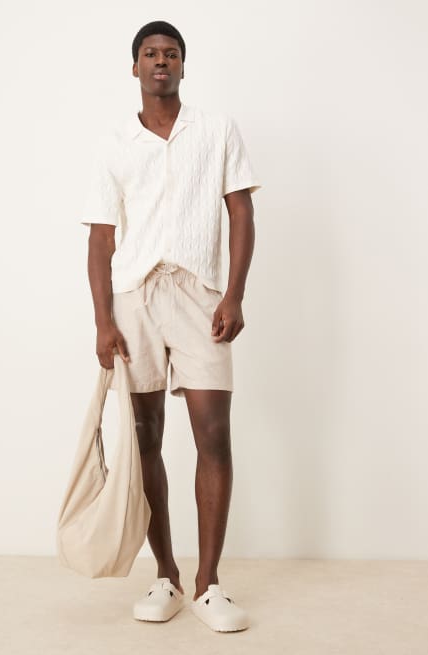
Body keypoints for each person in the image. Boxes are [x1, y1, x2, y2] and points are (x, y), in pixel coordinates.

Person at [80, 20, 262, 632]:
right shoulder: (114, 143)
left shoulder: (216, 130)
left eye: (172, 54)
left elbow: (242, 213)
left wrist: (234, 294)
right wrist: (103, 322)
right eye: (151, 54)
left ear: (184, 65)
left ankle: (209, 585)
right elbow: (101, 240)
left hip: (199, 295)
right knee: (145, 440)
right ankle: (167, 576)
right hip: (134, 299)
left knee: (214, 434)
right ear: (134, 67)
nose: (161, 62)